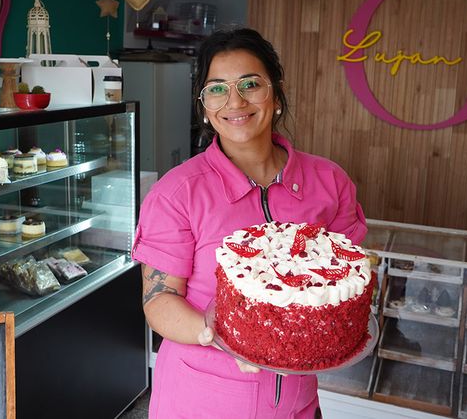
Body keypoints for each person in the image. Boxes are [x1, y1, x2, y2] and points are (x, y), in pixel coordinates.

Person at [132, 28, 367, 418]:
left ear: (275, 93)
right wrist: (213, 332)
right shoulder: (176, 193)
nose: (235, 101)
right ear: (204, 104)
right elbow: (158, 299)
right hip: (201, 400)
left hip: (298, 401)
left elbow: (347, 279)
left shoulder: (329, 182)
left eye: (250, 84)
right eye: (217, 89)